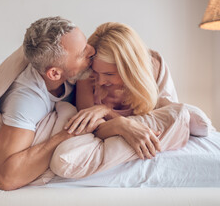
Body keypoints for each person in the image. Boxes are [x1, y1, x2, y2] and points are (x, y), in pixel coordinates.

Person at [50, 22, 190, 179]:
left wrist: (107, 113)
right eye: (97, 72)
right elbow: (90, 128)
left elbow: (166, 118)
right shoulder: (88, 78)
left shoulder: (155, 67)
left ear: (130, 69)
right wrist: (121, 124)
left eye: (109, 74)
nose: (101, 81)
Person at [0, 16, 96, 191]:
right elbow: (6, 178)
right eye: (82, 53)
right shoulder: (26, 100)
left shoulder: (75, 69)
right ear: (55, 74)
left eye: (86, 43)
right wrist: (67, 135)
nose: (92, 50)